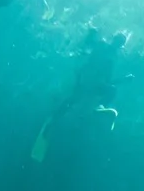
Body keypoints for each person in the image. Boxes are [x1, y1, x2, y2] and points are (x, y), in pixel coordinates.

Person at [31, 28, 129, 163]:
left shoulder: (106, 50)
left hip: (88, 81)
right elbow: (105, 77)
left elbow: (105, 78)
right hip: (88, 80)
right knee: (102, 92)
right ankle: (95, 108)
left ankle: (56, 118)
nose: (118, 44)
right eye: (119, 41)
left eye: (120, 42)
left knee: (75, 99)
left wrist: (91, 34)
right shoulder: (107, 51)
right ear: (117, 42)